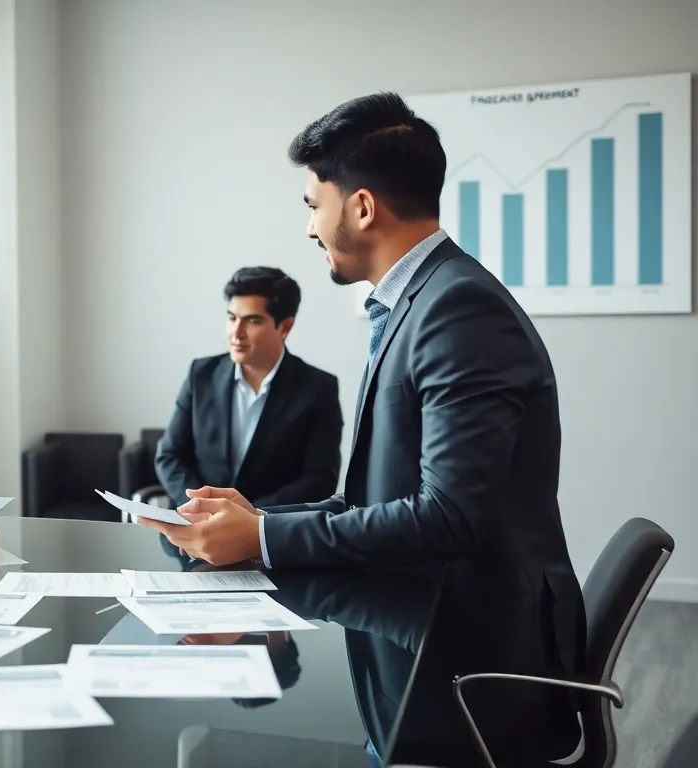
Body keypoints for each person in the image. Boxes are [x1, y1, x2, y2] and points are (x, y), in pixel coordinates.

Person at [139, 93, 585, 762]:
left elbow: (448, 517)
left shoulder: (457, 309)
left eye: (313, 204)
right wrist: (257, 519)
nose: (309, 229)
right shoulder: (420, 301)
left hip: (464, 669)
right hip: (422, 631)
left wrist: (262, 535)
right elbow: (380, 495)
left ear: (363, 207)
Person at [154, 266, 342, 511]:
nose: (237, 332)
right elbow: (170, 456)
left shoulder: (318, 388)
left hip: (270, 527)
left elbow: (320, 478)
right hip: (197, 523)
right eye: (232, 318)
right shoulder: (200, 374)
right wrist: (201, 506)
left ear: (285, 327)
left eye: (252, 321)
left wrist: (249, 515)